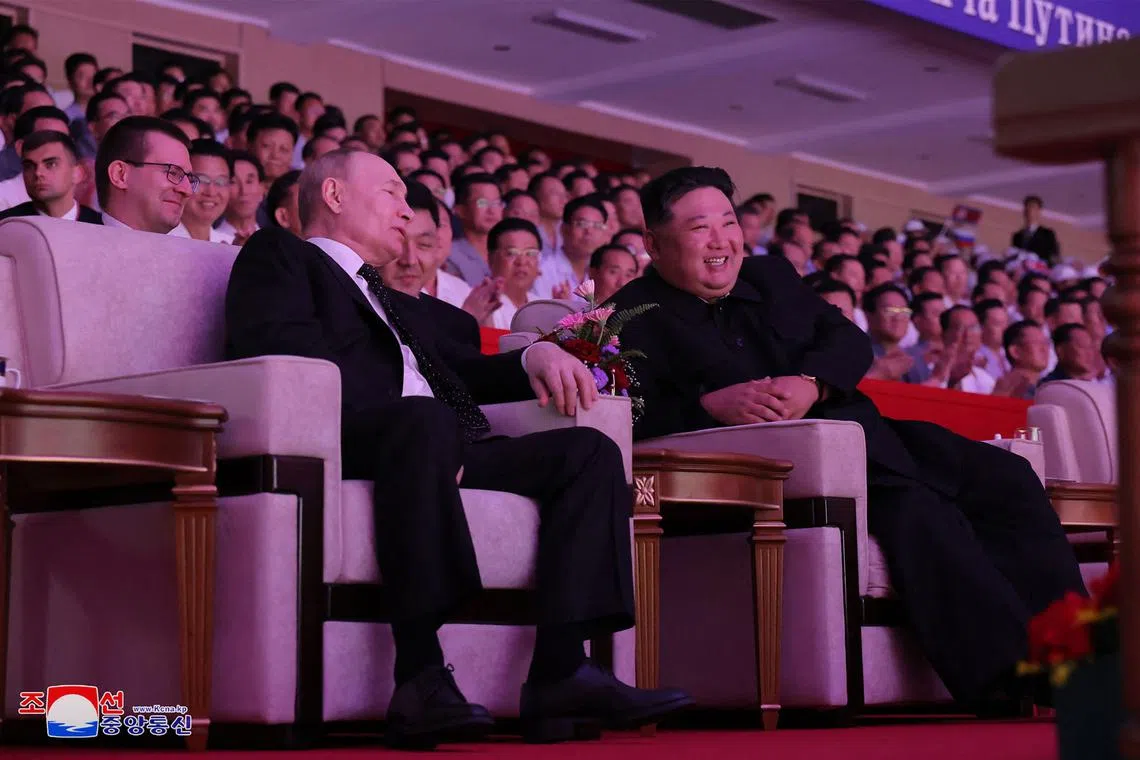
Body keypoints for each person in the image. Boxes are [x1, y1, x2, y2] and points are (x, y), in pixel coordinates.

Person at [224, 150, 690, 747]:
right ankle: (418, 673)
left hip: (441, 440)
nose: (406, 208)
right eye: (392, 192)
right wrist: (422, 423)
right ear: (335, 196)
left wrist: (533, 354)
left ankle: (561, 671)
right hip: (347, 437)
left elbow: (461, 368)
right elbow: (277, 349)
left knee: (589, 453)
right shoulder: (281, 257)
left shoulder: (389, 297)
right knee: (424, 422)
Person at [610, 166, 1083, 711]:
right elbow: (626, 414)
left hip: (869, 435)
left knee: (1006, 475)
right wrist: (706, 406)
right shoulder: (632, 316)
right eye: (699, 228)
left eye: (729, 222)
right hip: (791, 476)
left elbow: (848, 340)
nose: (721, 241)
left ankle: (1078, 655)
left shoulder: (770, 276)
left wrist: (811, 383)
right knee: (918, 512)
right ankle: (1016, 683)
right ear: (652, 242)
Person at [95, 115, 195, 234]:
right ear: (120, 175)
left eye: (189, 179)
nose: (187, 190)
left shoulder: (190, 252)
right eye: (173, 172)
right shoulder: (72, 248)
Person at [0, 131, 100, 223]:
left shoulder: (101, 227)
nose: (38, 173)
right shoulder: (6, 224)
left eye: (51, 164)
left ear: (77, 173)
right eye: (29, 166)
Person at [170, 138, 234, 243]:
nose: (211, 192)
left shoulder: (232, 245)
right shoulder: (160, 239)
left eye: (220, 182)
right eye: (202, 180)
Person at [1012, 195, 1060, 265]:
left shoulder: (1047, 234)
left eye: (1032, 207)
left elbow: (1054, 256)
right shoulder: (1017, 236)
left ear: (1038, 211)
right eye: (1026, 207)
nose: (1029, 210)